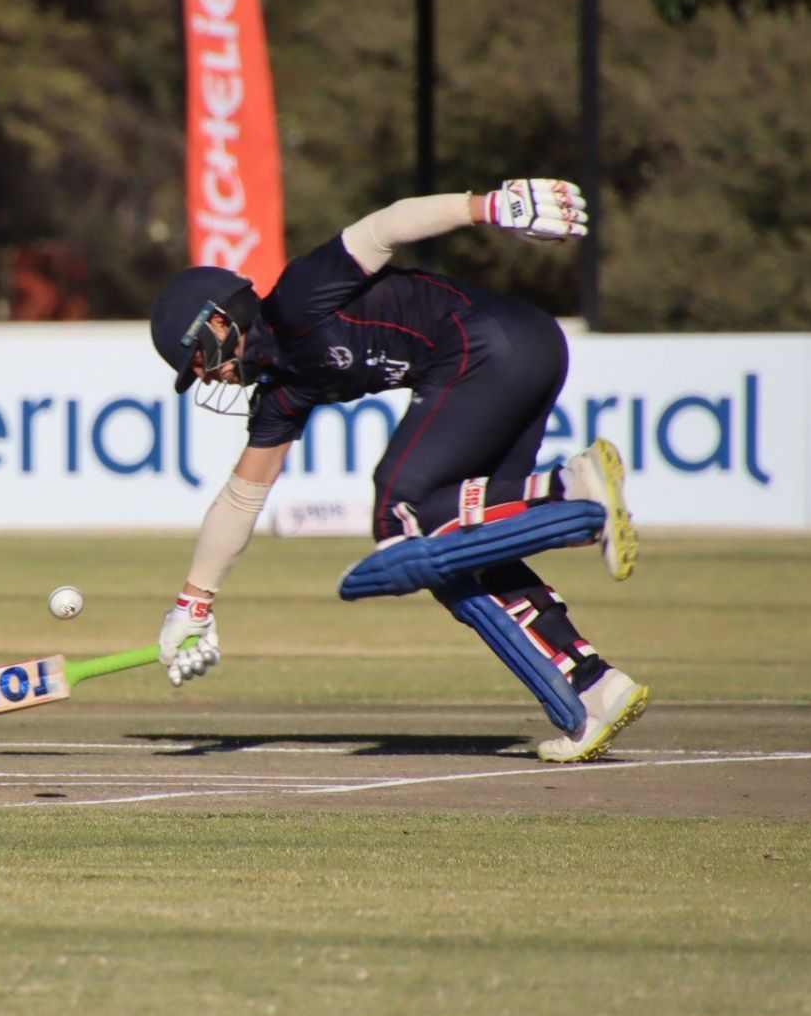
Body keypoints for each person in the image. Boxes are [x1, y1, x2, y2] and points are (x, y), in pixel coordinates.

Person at [147, 179, 648, 763]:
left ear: (219, 322)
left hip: (491, 343)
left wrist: (485, 207)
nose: (205, 377)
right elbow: (241, 499)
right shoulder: (282, 394)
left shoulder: (299, 297)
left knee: (397, 511)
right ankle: (594, 684)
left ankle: (566, 490)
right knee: (465, 552)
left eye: (199, 361)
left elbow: (385, 226)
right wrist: (193, 606)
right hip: (521, 349)